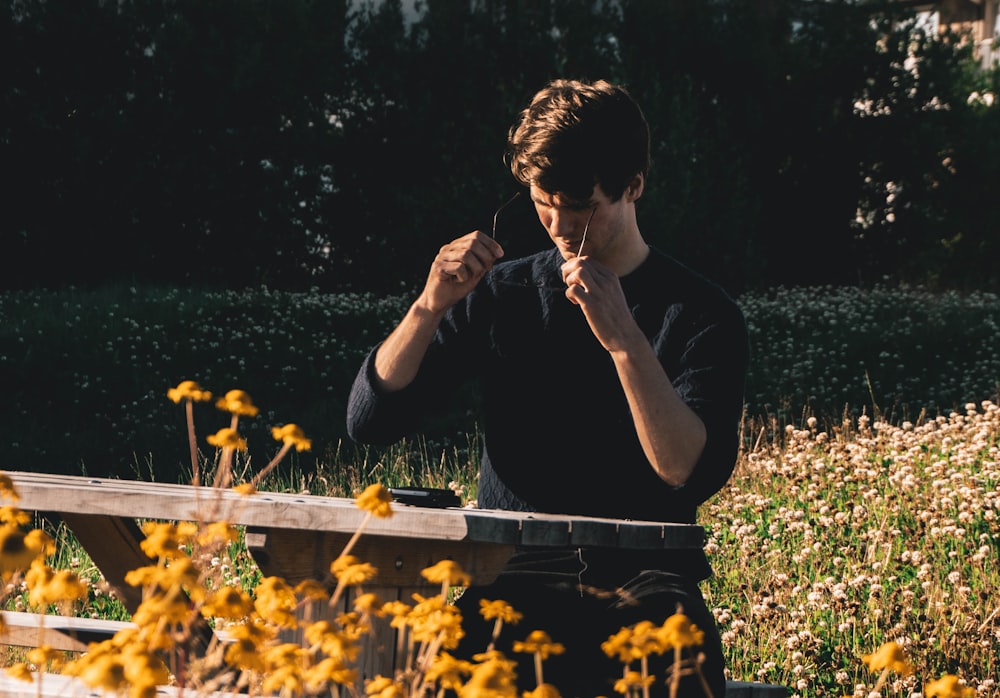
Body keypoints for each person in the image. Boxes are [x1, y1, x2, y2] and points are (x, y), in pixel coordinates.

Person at [347, 78, 749, 697]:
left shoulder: (699, 313)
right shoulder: (502, 293)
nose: (559, 224)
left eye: (581, 204)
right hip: (514, 575)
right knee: (433, 675)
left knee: (676, 659)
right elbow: (370, 421)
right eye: (542, 199)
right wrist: (429, 306)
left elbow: (685, 471)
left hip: (648, 579)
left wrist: (625, 342)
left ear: (633, 186)